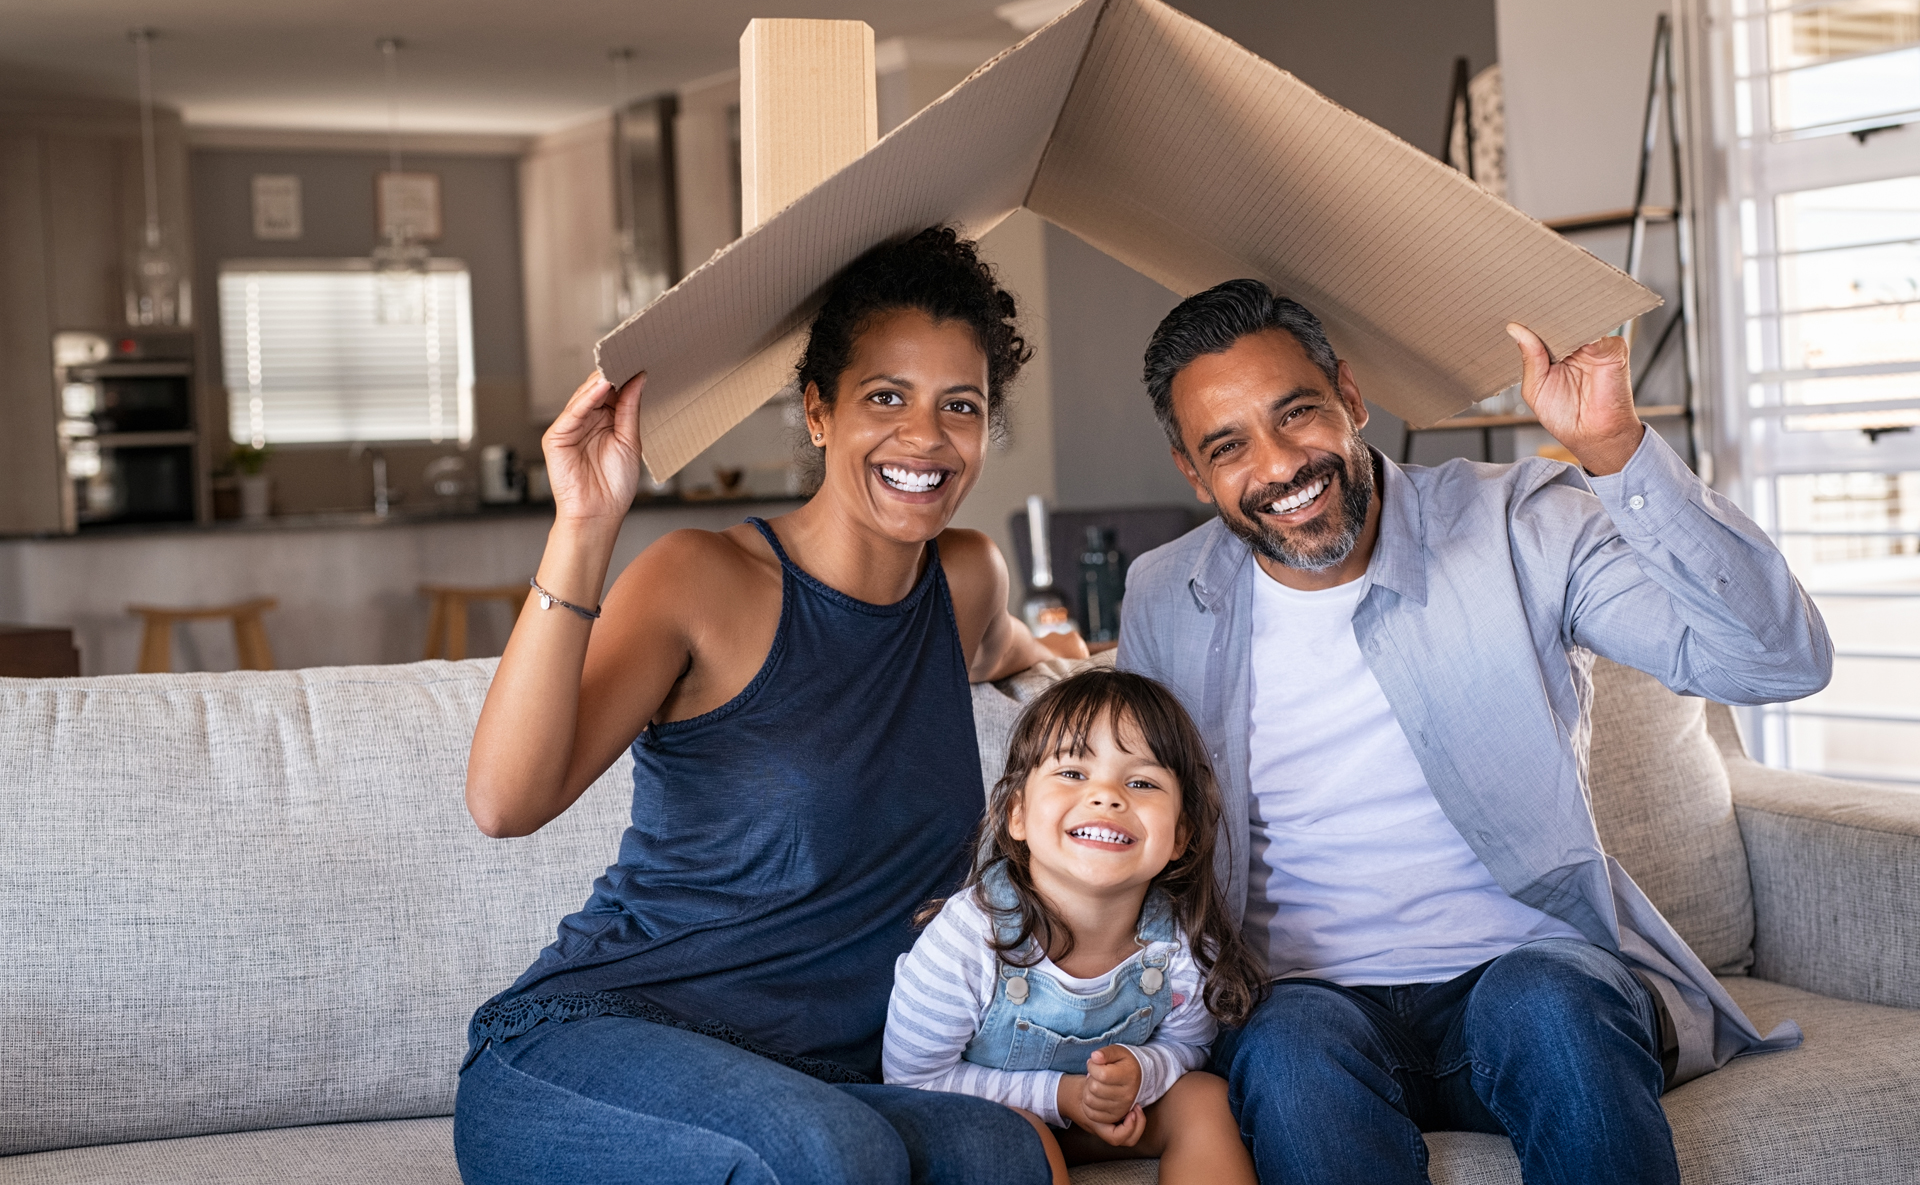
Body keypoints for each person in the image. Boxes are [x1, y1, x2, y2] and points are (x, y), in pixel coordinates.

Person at [1116, 280, 1832, 1185]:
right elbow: (1136, 822)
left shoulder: (1520, 523)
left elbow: (1779, 664)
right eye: (1229, 446)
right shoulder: (1163, 594)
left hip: (1531, 976)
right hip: (1308, 1009)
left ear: (1350, 396)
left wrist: (1615, 449)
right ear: (1192, 470)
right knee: (1286, 1045)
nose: (1280, 465)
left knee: (1546, 1003)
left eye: (1296, 414)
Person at [453, 227, 1082, 1185]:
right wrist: (585, 524)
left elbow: (1016, 653)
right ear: (818, 412)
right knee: (832, 1155)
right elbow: (505, 802)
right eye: (886, 397)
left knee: (1007, 1156)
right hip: (599, 1044)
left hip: (818, 1078)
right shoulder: (703, 580)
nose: (925, 437)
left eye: (960, 406)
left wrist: (1077, 665)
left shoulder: (964, 581)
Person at [884, 668, 1263, 1185]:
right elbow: (912, 1083)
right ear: (1016, 815)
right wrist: (1062, 1098)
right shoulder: (969, 938)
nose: (1107, 796)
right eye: (1073, 774)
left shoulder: (1177, 946)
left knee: (1205, 1098)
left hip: (1108, 1122)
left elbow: (1189, 1047)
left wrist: (1140, 1070)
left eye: (1141, 782)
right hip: (988, 1121)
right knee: (1024, 1135)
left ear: (1180, 836)